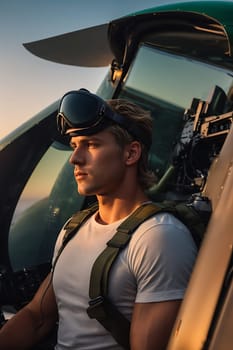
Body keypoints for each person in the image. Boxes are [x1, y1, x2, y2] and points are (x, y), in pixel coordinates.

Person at [0, 89, 197, 350]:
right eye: (74, 146)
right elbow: (37, 317)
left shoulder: (159, 238)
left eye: (91, 145)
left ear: (131, 154)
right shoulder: (74, 228)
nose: (75, 158)